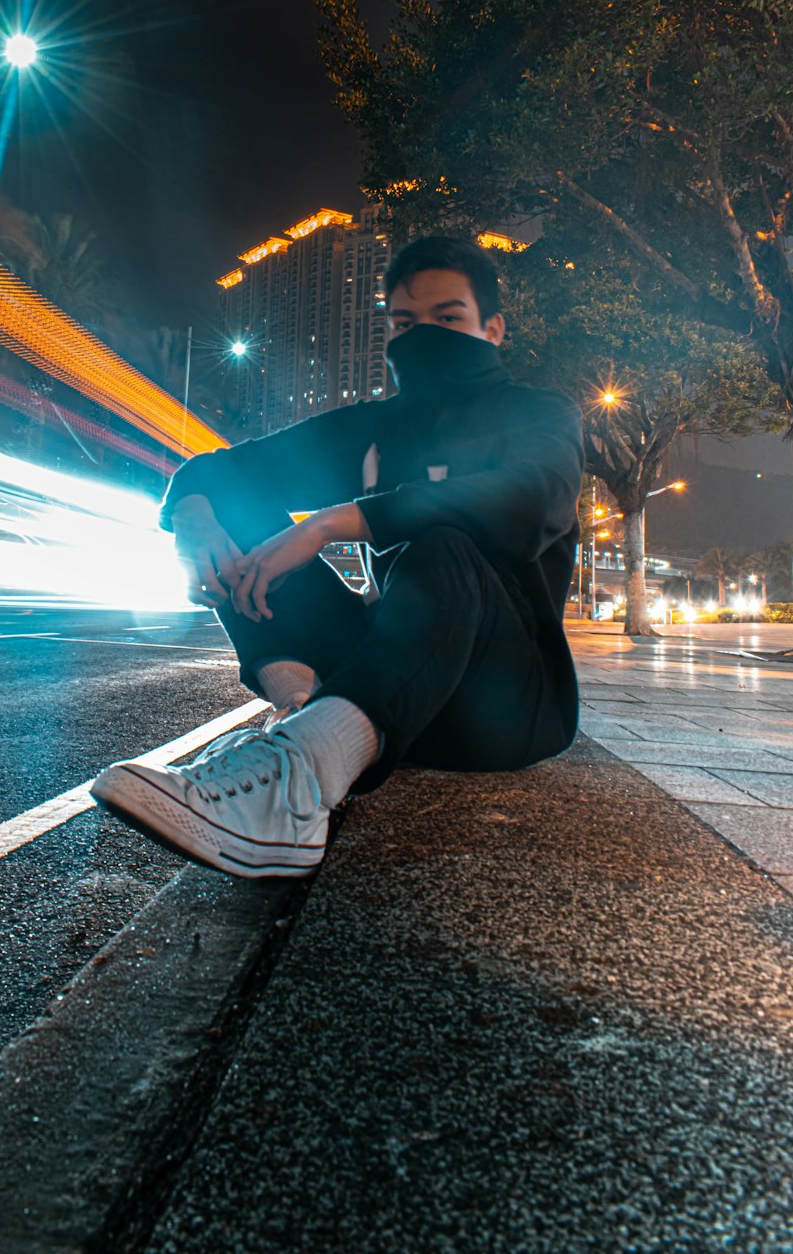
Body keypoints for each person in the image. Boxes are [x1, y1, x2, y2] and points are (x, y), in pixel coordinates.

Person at [92, 235, 584, 878]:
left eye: (448, 319)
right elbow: (217, 471)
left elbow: (534, 499)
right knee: (238, 513)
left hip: (507, 706)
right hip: (389, 696)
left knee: (444, 541)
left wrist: (339, 520)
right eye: (405, 323)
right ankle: (300, 728)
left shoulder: (539, 412)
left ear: (492, 329)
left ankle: (300, 779)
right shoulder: (376, 427)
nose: (424, 338)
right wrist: (194, 523)